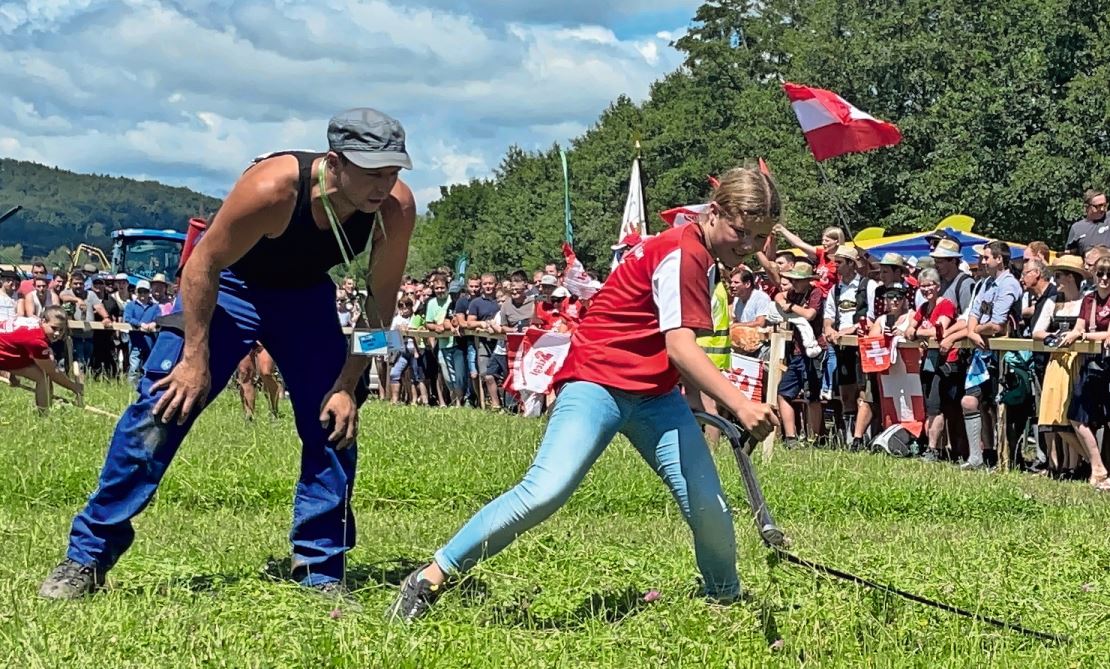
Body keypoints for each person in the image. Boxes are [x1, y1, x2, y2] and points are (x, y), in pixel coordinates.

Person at [40, 107, 417, 599]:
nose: (382, 186)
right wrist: (195, 359)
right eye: (372, 173)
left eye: (393, 173)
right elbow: (202, 266)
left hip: (304, 297)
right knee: (163, 406)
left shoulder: (394, 209)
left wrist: (348, 384)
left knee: (334, 421)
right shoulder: (274, 188)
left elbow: (380, 303)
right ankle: (86, 558)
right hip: (228, 287)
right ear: (336, 162)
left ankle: (321, 569)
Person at [388, 166, 781, 621]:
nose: (749, 247)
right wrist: (740, 404)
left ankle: (725, 601)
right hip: (597, 382)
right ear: (714, 214)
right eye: (742, 231)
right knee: (545, 491)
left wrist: (694, 401)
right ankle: (430, 577)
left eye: (760, 237)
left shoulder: (701, 253)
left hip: (654, 396)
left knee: (708, 504)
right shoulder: (682, 252)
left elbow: (667, 337)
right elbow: (680, 346)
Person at [941, 241, 1023, 470]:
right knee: (970, 402)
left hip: (1005, 356)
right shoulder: (985, 283)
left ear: (999, 259)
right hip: (981, 356)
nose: (983, 262)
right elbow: (974, 313)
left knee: (1000, 408)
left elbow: (998, 324)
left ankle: (1006, 459)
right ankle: (977, 457)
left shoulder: (1009, 284)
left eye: (987, 258)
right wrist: (970, 330)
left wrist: (974, 330)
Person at [1032, 256, 1088, 477]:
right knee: (1052, 416)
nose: (1055, 281)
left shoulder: (1085, 301)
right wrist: (1053, 336)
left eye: (1059, 276)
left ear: (1071, 277)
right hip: (1057, 360)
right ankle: (1080, 463)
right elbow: (1037, 330)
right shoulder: (1052, 302)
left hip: (1078, 360)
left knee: (1071, 417)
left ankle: (1076, 466)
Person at [1057, 255, 1110, 490]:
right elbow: (1080, 326)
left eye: (1109, 274)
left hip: (1107, 367)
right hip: (1091, 365)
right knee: (1076, 417)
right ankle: (1097, 467)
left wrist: (1083, 335)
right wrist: (1077, 333)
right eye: (1100, 274)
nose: (1105, 279)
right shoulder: (1088, 300)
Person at [906, 269, 959, 461]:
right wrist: (915, 330)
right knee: (930, 406)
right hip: (928, 362)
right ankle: (934, 446)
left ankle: (934, 449)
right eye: (922, 286)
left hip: (945, 363)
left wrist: (917, 331)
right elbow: (909, 328)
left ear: (938, 286)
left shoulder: (945, 305)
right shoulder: (923, 307)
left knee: (936, 407)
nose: (926, 289)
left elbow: (940, 330)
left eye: (929, 285)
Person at [773, 261, 825, 447]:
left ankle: (813, 439)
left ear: (807, 280)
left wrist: (791, 307)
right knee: (783, 393)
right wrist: (783, 302)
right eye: (792, 279)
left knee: (812, 395)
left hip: (814, 352)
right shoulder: (793, 293)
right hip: (796, 351)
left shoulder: (815, 293)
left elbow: (810, 314)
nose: (793, 283)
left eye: (797, 280)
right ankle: (791, 437)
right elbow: (779, 295)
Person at [822, 246, 867, 447]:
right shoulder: (836, 289)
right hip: (842, 346)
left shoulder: (867, 286)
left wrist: (848, 330)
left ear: (851, 263)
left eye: (839, 262)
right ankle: (850, 437)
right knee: (846, 390)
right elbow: (828, 315)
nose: (835, 265)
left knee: (863, 390)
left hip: (861, 345)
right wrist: (830, 329)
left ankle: (863, 435)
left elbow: (871, 317)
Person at [0, 306, 83, 410]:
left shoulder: (33, 322)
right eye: (54, 328)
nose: (57, 333)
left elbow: (14, 341)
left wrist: (13, 374)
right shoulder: (36, 341)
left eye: (61, 330)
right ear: (43, 321)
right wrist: (74, 387)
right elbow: (52, 372)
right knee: (43, 377)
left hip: (5, 349)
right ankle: (44, 417)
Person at [772, 225, 843, 298]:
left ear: (837, 241)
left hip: (830, 298)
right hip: (815, 295)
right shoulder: (821, 254)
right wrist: (782, 230)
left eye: (827, 241)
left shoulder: (842, 261)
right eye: (823, 240)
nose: (823, 243)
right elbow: (799, 244)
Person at [466, 273, 501, 408]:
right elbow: (470, 323)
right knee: (485, 374)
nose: (488, 286)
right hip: (483, 343)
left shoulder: (501, 300)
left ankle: (503, 402)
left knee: (501, 375)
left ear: (496, 285)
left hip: (501, 343)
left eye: (490, 283)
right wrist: (482, 324)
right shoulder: (476, 303)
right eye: (485, 284)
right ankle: (490, 402)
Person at [123, 280, 161, 389]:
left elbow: (159, 318)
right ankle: (130, 389)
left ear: (149, 292)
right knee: (134, 367)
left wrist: (154, 323)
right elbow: (128, 318)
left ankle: (146, 388)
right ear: (136, 292)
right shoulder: (131, 305)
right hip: (136, 341)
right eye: (140, 292)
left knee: (147, 367)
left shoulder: (155, 307)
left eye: (145, 292)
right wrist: (140, 324)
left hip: (150, 342)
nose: (143, 294)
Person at [1066, 189, 1110, 256]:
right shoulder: (1077, 228)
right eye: (1097, 206)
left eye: (1104, 205)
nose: (1102, 209)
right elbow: (1069, 254)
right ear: (1087, 207)